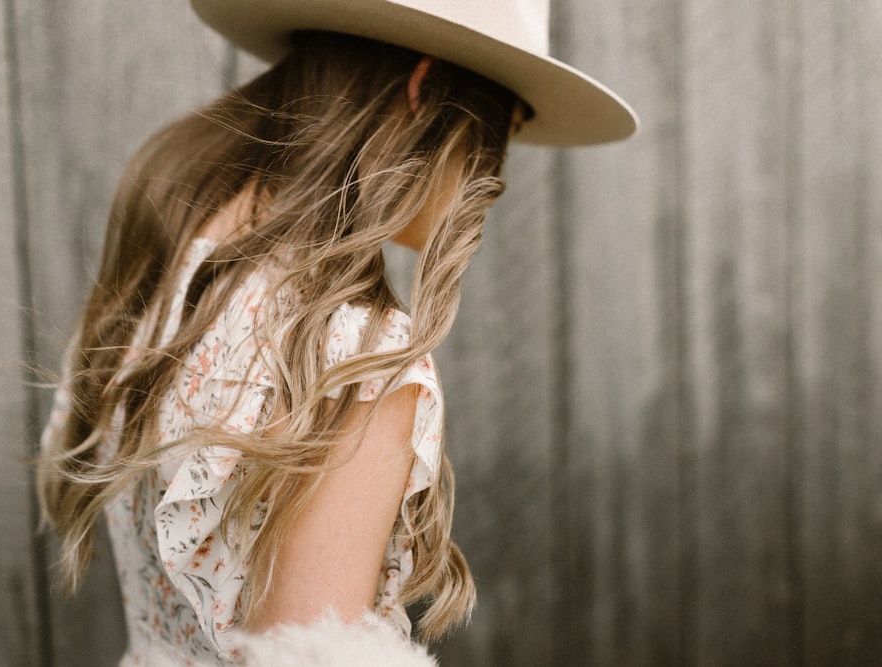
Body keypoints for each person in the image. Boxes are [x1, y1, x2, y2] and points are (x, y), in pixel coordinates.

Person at [38, 1, 636, 664]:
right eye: (499, 130)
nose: (494, 180)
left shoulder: (176, 248)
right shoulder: (356, 359)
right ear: (424, 88)